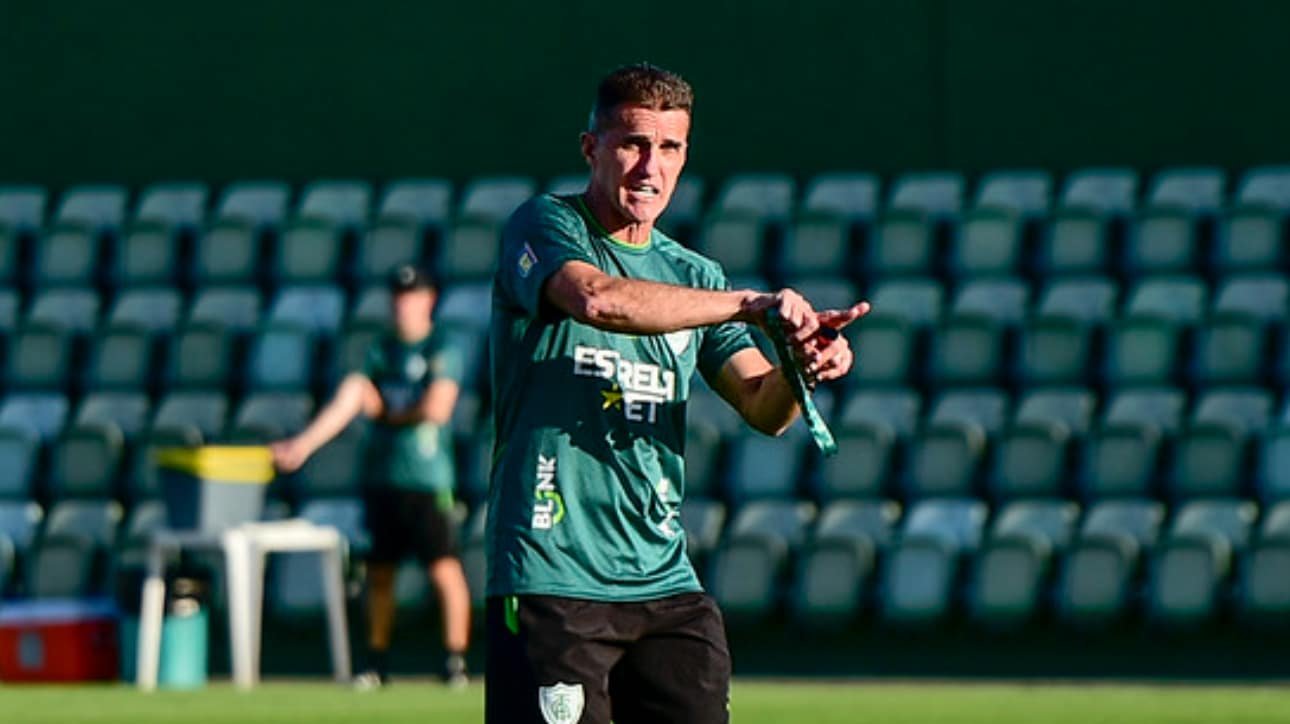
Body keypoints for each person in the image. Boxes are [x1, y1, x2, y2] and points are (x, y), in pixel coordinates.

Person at [485, 62, 867, 724]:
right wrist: (750, 304)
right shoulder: (544, 225)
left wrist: (799, 368)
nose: (649, 167)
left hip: (665, 587)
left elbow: (762, 408)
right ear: (591, 148)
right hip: (554, 579)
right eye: (632, 142)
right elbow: (598, 300)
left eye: (669, 148)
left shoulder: (692, 275)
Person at [270, 264, 472, 689]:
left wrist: (386, 414)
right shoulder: (380, 350)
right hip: (383, 477)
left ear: (429, 300)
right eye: (398, 296)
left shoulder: (441, 346)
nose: (403, 304)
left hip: (427, 478)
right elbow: (350, 397)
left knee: (443, 568)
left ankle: (454, 659)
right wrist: (304, 444)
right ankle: (377, 661)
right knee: (380, 573)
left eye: (412, 295)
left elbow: (438, 408)